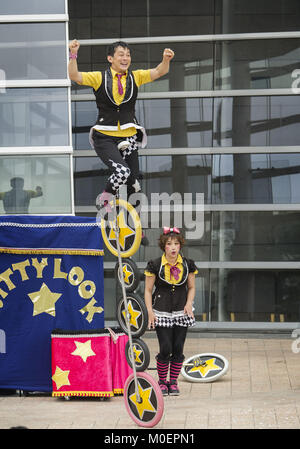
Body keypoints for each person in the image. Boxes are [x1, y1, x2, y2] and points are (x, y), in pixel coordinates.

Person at [68, 39, 175, 214]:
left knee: (135, 183)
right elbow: (75, 76)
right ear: (110, 58)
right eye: (121, 55)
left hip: (129, 136)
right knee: (122, 171)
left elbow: (159, 71)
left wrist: (166, 59)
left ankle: (135, 224)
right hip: (105, 135)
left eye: (128, 55)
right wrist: (73, 55)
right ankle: (105, 198)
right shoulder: (99, 77)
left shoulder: (135, 77)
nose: (125, 58)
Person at [144, 227, 198, 396]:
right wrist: (150, 312)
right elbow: (147, 290)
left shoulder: (188, 264)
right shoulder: (155, 265)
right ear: (164, 246)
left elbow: (192, 287)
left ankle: (173, 382)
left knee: (178, 348)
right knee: (166, 348)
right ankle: (162, 381)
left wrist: (189, 303)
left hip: (181, 311)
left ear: (180, 246)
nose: (173, 247)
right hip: (162, 310)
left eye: (176, 244)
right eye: (169, 244)